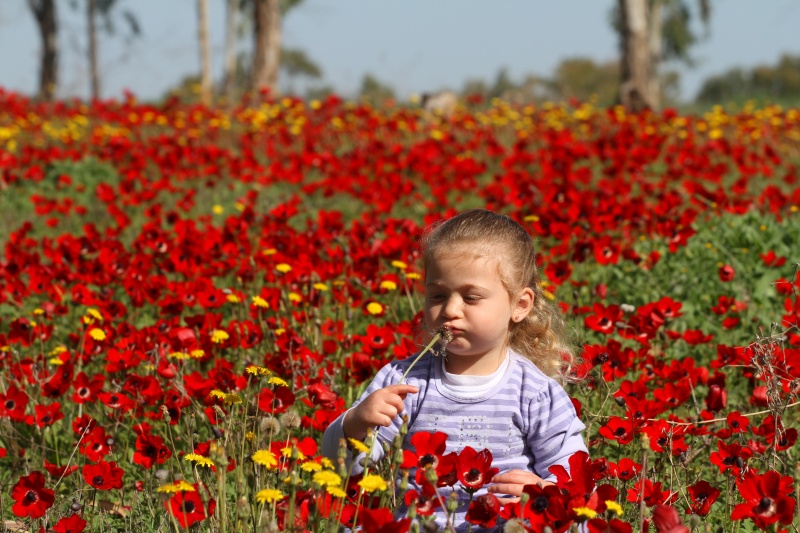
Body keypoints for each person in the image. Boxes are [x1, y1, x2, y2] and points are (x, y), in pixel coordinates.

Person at [321, 209, 587, 532]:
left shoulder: (535, 393)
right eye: (438, 295)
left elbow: (576, 485)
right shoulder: (406, 381)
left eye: (471, 297)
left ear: (520, 305)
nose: (449, 309)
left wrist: (544, 494)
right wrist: (355, 423)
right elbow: (340, 466)